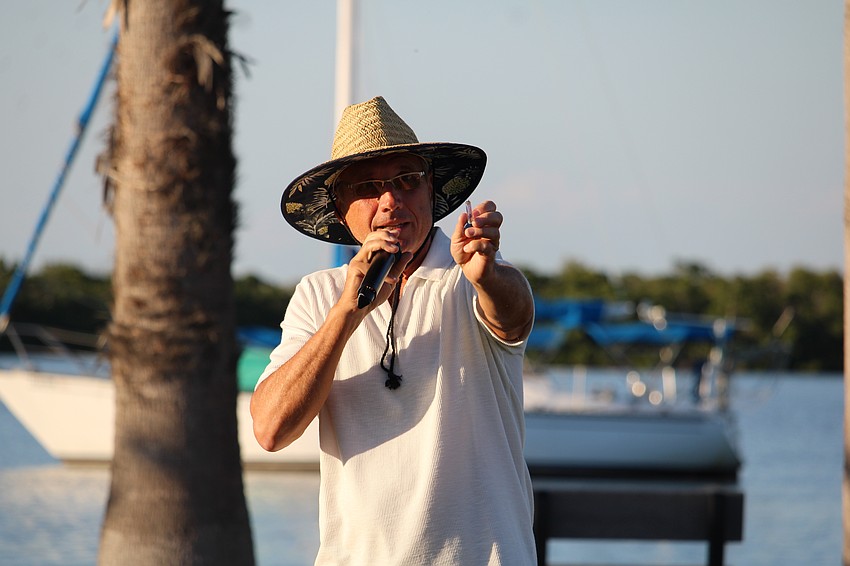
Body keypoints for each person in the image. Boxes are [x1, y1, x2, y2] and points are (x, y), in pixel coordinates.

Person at [250, 96, 537, 565]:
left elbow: (514, 316)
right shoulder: (319, 295)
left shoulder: (473, 275)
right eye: (368, 186)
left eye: (407, 180)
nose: (391, 201)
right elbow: (270, 429)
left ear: (431, 194)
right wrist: (348, 311)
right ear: (341, 211)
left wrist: (486, 272)